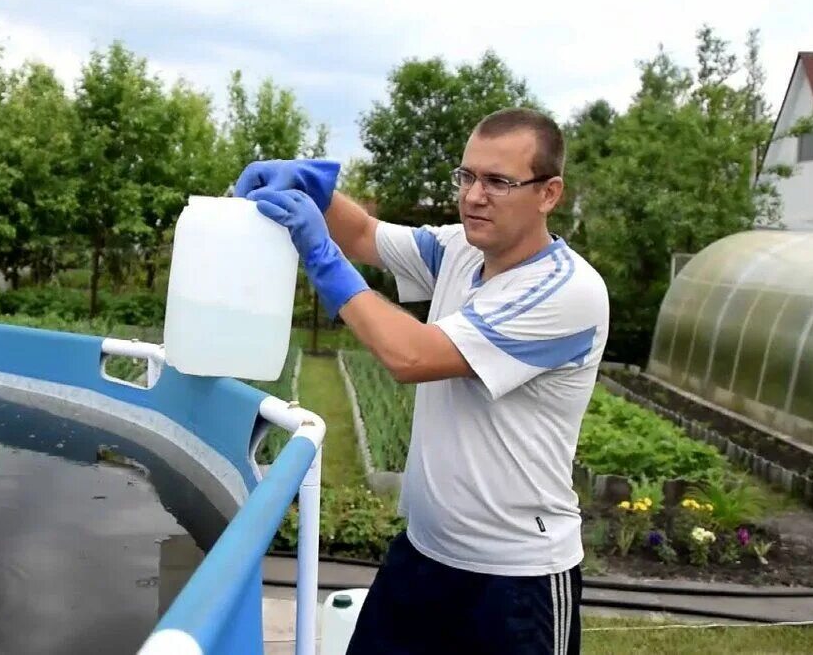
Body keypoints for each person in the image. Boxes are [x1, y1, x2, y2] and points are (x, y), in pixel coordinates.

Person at [233, 107, 609, 654]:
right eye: (468, 176)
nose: (474, 195)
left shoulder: (565, 292)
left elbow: (411, 356)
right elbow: (364, 233)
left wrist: (320, 254)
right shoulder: (461, 249)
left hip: (515, 580)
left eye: (499, 182)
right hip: (425, 554)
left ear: (549, 193)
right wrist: (315, 190)